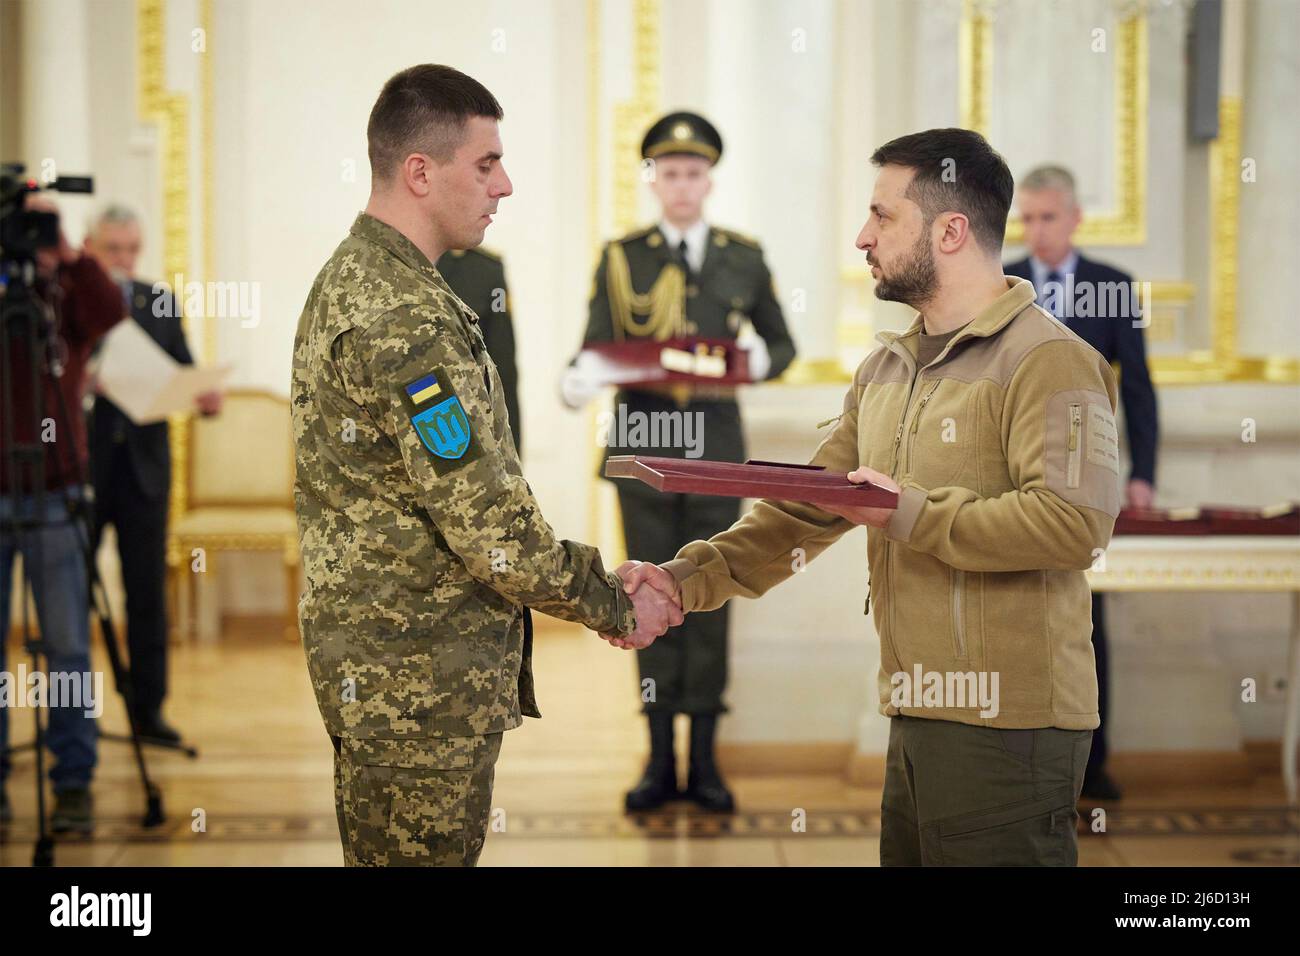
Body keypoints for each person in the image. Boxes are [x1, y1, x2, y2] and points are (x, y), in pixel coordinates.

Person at [616, 129, 1122, 866]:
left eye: (882, 217)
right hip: (916, 706)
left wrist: (901, 510)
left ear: (951, 231)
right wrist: (681, 583)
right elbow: (808, 506)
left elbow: (1073, 526)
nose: (862, 236)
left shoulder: (1048, 359)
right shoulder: (887, 367)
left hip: (1009, 721)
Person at [291, 64, 681, 867]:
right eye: (486, 163)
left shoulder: (361, 278)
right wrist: (611, 598)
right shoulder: (403, 314)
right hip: (416, 682)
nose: (504, 185)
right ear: (420, 172)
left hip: (391, 668)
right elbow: (488, 526)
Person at [563, 112, 796, 813]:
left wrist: (758, 360)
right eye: (670, 173)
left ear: (710, 180)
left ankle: (708, 763)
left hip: (714, 451)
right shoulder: (620, 257)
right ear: (654, 180)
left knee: (710, 594)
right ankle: (659, 759)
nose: (682, 184)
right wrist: (576, 377)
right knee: (644, 594)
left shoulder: (742, 257)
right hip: (642, 446)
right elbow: (595, 344)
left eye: (693, 173)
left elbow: (780, 344)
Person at [1004, 165, 1158, 801]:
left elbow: (1141, 388)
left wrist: (1145, 474)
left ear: (1074, 219)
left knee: (1087, 619)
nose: (1037, 230)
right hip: (1011, 476)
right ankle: (1016, 766)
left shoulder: (1114, 288)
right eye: (1028, 219)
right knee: (1014, 611)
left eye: (1048, 217)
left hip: (1088, 479)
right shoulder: (1001, 285)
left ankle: (1092, 766)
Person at [0, 194, 125, 832]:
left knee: (68, 648)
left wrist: (71, 254)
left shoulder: (63, 291)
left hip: (57, 487)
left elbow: (111, 312)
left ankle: (72, 779)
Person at [84, 204, 224, 745]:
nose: (123, 260)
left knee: (146, 596)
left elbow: (183, 370)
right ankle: (71, 718)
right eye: (111, 249)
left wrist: (203, 396)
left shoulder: (158, 301)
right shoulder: (73, 302)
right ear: (89, 248)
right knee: (72, 599)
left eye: (130, 249)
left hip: (144, 472)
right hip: (84, 472)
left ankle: (149, 714)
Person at [436, 246, 521, 453]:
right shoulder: (404, 266)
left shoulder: (487, 270)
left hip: (472, 414)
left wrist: (510, 448)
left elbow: (503, 363)